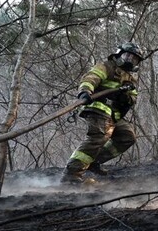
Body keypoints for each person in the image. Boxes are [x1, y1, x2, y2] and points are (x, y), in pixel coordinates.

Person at [60, 41, 145, 185]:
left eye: (134, 59)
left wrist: (125, 96)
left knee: (127, 136)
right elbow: (90, 78)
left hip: (114, 115)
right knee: (98, 137)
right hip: (98, 108)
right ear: (119, 54)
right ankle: (71, 174)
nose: (130, 60)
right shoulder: (106, 66)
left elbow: (133, 98)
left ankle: (94, 160)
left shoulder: (130, 79)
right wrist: (85, 92)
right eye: (128, 56)